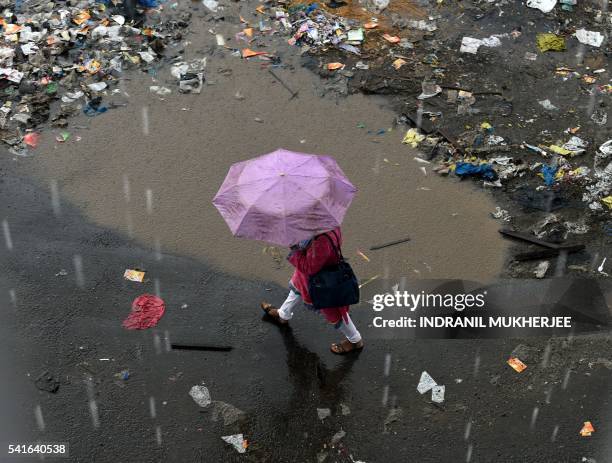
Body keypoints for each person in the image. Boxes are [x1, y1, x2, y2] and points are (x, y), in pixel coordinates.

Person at [261, 227, 364, 355]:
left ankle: (355, 340)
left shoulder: (322, 241)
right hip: (311, 277)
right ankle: (283, 314)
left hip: (323, 282)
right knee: (297, 289)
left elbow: (309, 267)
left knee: (334, 311)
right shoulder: (328, 226)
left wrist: (294, 249)